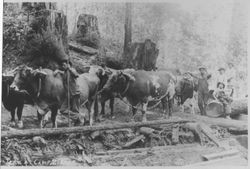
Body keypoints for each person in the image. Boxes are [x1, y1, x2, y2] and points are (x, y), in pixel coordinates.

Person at [54, 61, 82, 125]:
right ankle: (78, 117)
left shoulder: (72, 70)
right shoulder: (65, 72)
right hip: (68, 95)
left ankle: (77, 122)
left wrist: (70, 68)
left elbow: (76, 75)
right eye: (62, 65)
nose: (63, 67)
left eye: (64, 65)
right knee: (62, 110)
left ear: (68, 65)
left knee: (75, 109)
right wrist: (58, 70)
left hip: (75, 93)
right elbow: (62, 73)